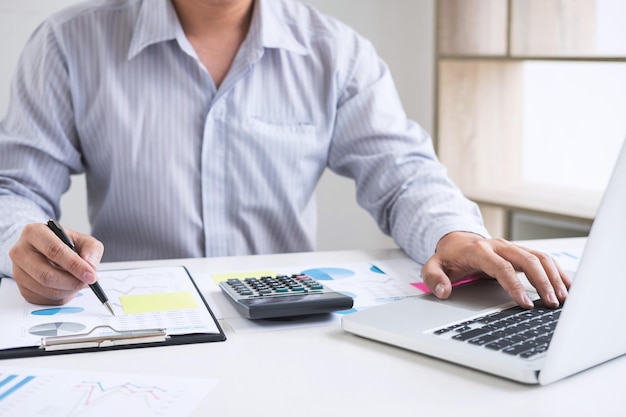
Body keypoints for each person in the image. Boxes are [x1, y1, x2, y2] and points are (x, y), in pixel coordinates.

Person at [0, 0, 570, 309]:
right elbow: (16, 190)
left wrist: (453, 234)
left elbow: (402, 177)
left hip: (289, 319)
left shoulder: (337, 52)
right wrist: (23, 246)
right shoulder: (67, 43)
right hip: (134, 316)